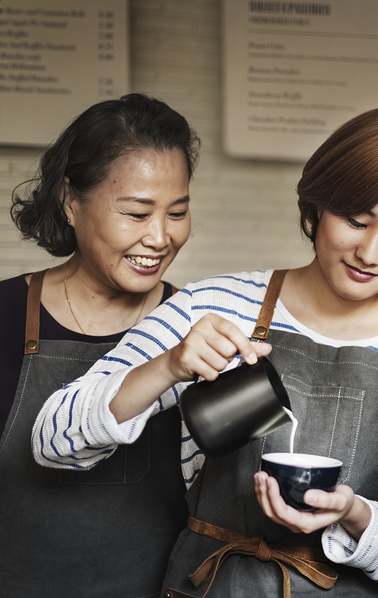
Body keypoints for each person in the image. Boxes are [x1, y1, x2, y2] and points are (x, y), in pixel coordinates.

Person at [34, 106, 378, 597]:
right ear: (319, 203)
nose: (370, 253)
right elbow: (54, 442)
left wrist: (354, 515)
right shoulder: (214, 305)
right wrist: (170, 365)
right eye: (355, 220)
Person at [0, 93, 199, 597]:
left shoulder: (194, 328)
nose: (160, 237)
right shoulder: (5, 314)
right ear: (71, 201)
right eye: (135, 212)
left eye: (177, 212)